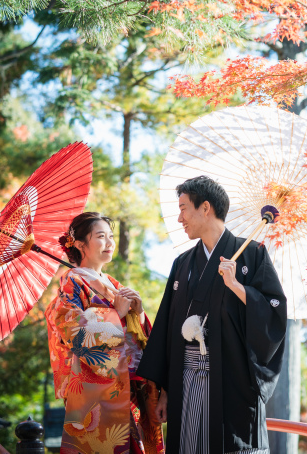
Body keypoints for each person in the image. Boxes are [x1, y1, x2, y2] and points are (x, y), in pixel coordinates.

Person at [137, 176, 287, 454]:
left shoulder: (252, 254)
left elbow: (274, 315)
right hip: (185, 382)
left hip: (231, 382)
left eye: (183, 208)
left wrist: (238, 287)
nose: (179, 217)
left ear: (205, 208)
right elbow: (168, 330)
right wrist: (166, 391)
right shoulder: (182, 264)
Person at [45, 212, 164, 454]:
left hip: (130, 387)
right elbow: (73, 332)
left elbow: (138, 337)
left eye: (111, 236)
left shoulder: (111, 282)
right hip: (97, 390)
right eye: (101, 236)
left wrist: (138, 314)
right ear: (80, 245)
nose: (109, 242)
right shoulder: (72, 283)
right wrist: (116, 314)